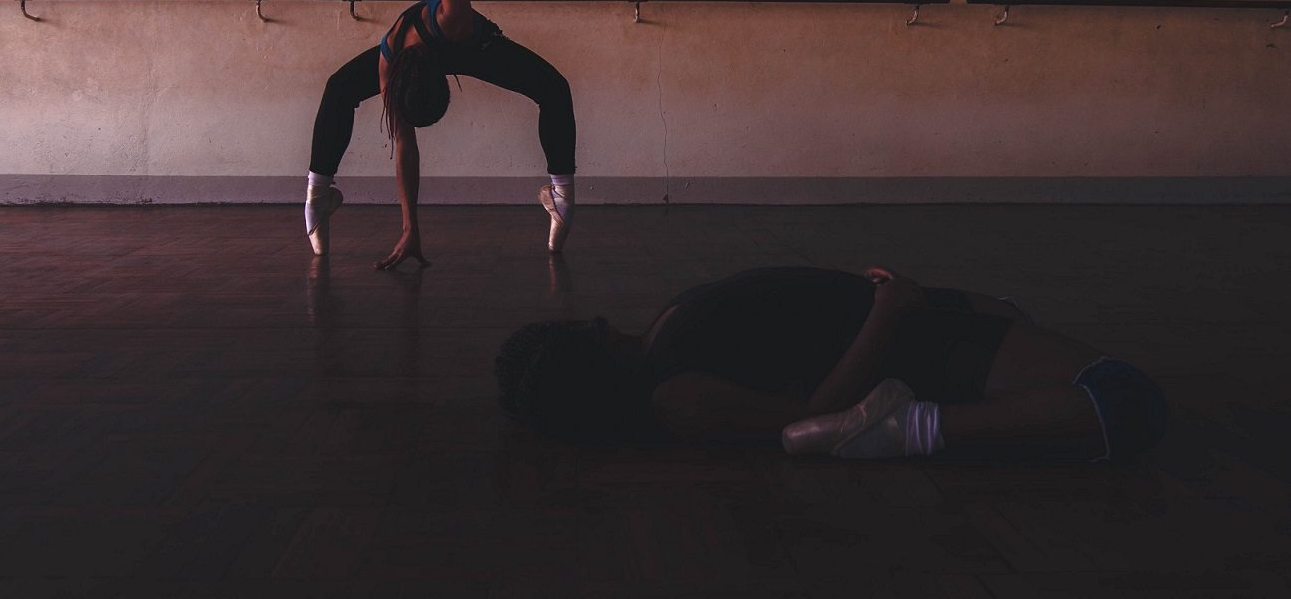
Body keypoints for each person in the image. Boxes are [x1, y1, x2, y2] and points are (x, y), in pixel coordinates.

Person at [495, 265, 1167, 462]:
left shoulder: (667, 333)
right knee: (1124, 399)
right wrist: (889, 309)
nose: (594, 317)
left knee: (1021, 318)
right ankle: (917, 428)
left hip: (917, 315)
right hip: (914, 342)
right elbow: (816, 413)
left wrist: (900, 297)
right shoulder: (676, 397)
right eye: (581, 330)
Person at [305, 0, 577, 267]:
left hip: (477, 48)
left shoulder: (454, 22)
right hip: (450, 51)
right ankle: (316, 199)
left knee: (553, 87)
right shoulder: (389, 63)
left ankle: (314, 201)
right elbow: (405, 147)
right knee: (340, 88)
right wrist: (409, 228)